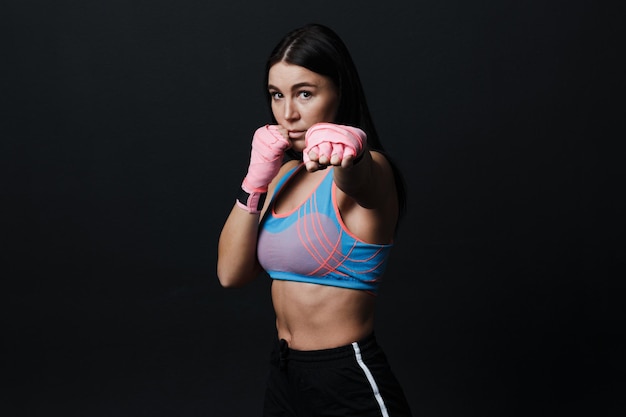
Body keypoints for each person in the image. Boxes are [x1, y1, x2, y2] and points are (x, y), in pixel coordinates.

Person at [217, 23, 412, 416]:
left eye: (305, 94)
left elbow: (361, 182)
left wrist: (352, 155)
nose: (288, 113)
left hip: (346, 376)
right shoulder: (284, 176)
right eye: (277, 95)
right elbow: (230, 274)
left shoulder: (372, 168)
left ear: (339, 91)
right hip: (286, 373)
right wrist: (254, 182)